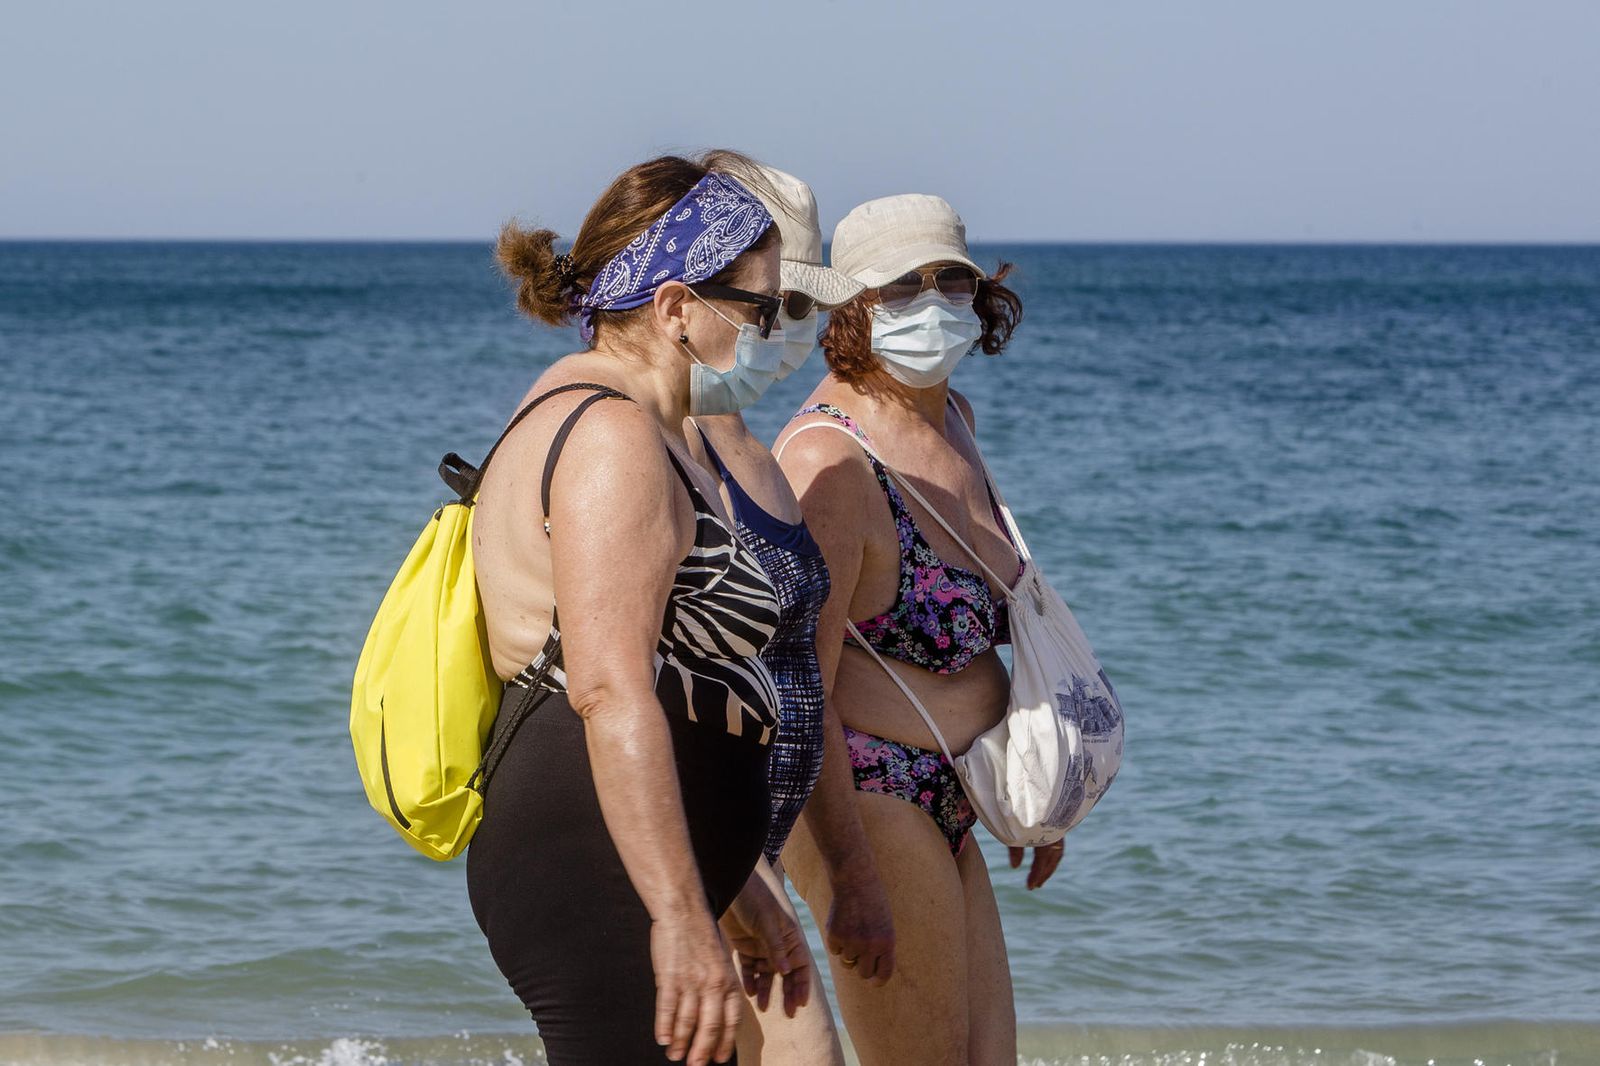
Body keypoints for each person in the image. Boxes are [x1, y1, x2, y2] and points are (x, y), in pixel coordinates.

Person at [465, 153, 813, 1066]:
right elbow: (612, 690)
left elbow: (674, 671)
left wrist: (734, 893)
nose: (775, 331)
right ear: (673, 308)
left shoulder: (628, 420)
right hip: (597, 870)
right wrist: (675, 913)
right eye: (759, 307)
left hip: (631, 861)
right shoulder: (611, 435)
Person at [774, 194, 1049, 1066]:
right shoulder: (832, 461)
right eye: (902, 288)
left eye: (950, 280)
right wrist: (847, 873)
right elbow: (797, 690)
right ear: (851, 306)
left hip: (961, 787)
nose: (933, 302)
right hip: (869, 794)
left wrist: (1042, 786)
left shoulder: (953, 420)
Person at [679, 160, 862, 1066]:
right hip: (698, 860)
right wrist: (721, 883)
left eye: (801, 310)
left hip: (760, 855)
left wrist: (852, 869)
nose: (784, 332)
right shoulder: (644, 449)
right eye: (771, 304)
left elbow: (798, 677)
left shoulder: (754, 454)